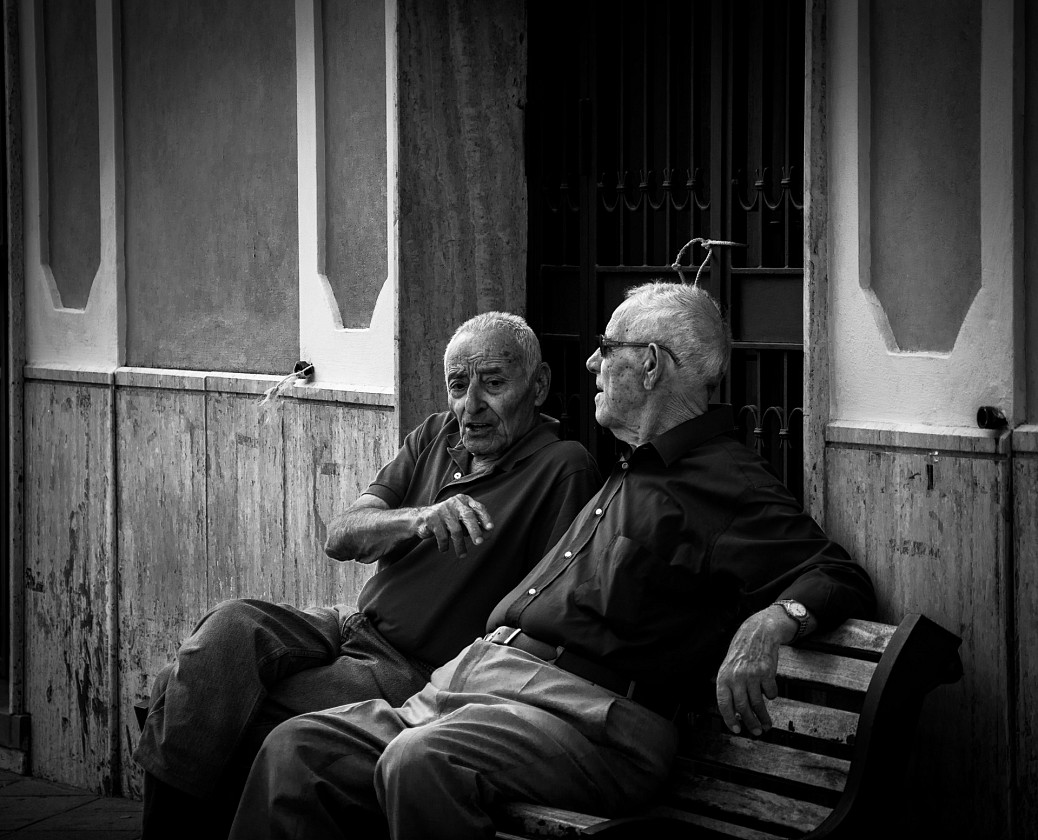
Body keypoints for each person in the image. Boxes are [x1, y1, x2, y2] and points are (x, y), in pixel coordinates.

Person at [226, 282, 876, 840]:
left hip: (590, 719)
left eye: (607, 348)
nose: (591, 362)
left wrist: (774, 620)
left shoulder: (724, 479)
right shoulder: (636, 466)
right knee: (299, 747)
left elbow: (837, 574)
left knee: (421, 761)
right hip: (483, 683)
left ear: (651, 365)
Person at [133, 312, 601, 839]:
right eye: (457, 386)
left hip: (414, 666)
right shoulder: (436, 434)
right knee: (229, 627)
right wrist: (417, 519)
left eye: (493, 384)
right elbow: (341, 536)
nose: (471, 407)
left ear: (538, 386)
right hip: (349, 624)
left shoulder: (563, 467)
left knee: (190, 697)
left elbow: (542, 613)